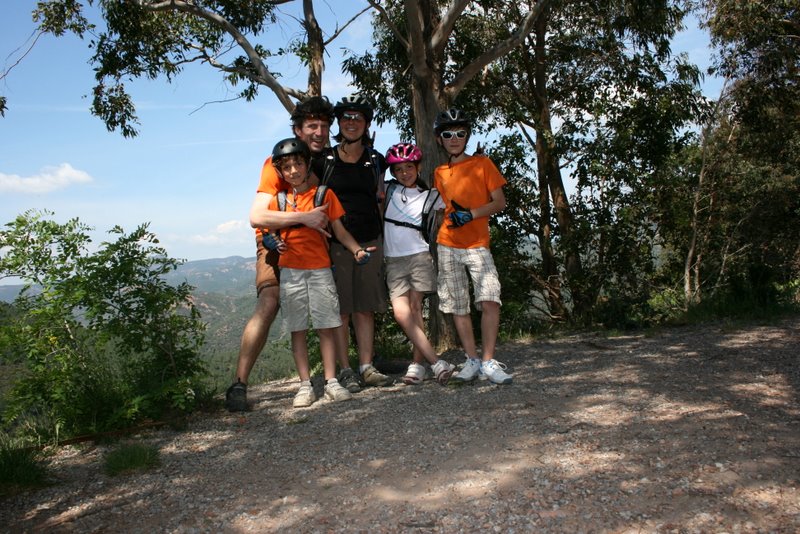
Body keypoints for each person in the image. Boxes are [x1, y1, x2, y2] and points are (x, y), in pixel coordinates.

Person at [224, 96, 336, 412]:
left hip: (313, 242)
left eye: (324, 126)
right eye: (312, 126)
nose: (319, 132)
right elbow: (257, 216)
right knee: (270, 301)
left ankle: (340, 373)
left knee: (331, 303)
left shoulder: (325, 161)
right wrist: (302, 219)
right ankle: (239, 384)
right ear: (298, 130)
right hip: (274, 241)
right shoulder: (278, 162)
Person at [266, 137, 376, 407]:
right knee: (298, 329)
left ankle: (331, 381)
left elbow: (339, 229)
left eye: (298, 164)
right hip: (290, 270)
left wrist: (356, 250)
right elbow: (267, 229)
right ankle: (305, 385)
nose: (293, 171)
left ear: (307, 165)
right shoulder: (277, 201)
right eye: (287, 167)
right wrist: (269, 239)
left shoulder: (324, 195)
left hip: (320, 269)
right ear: (280, 171)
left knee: (327, 326)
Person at [314, 94, 392, 388]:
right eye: (346, 117)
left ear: (367, 124)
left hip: (371, 239)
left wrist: (385, 238)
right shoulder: (325, 160)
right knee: (341, 309)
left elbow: (380, 198)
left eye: (358, 118)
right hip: (336, 244)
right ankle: (346, 370)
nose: (351, 122)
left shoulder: (376, 160)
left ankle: (367, 366)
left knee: (365, 307)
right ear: (339, 123)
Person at [432, 108, 512, 385]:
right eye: (447, 134)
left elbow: (499, 202)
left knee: (489, 298)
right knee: (457, 305)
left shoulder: (483, 164)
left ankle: (489, 361)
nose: (454, 138)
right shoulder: (439, 172)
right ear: (439, 139)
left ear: (467, 136)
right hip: (447, 244)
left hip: (477, 243)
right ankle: (472, 360)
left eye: (460, 133)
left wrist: (471, 214)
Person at [382, 142, 455, 385]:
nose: (405, 173)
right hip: (393, 259)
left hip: (420, 256)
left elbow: (454, 199)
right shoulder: (387, 191)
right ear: (392, 172)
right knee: (401, 313)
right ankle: (435, 362)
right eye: (399, 169)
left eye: (409, 167)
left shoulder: (431, 195)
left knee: (415, 310)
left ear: (418, 167)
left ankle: (416, 366)